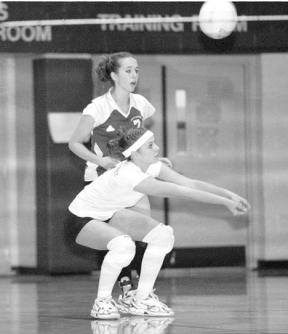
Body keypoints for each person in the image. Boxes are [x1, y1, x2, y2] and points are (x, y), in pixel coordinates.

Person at [67, 127, 250, 319]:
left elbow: (189, 184)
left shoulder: (150, 167)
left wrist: (229, 195)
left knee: (162, 235)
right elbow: (182, 192)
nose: (157, 148)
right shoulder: (130, 175)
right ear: (135, 153)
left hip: (109, 215)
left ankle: (142, 299)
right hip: (80, 221)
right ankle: (102, 302)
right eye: (150, 145)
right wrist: (225, 203)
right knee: (124, 246)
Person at [68, 52, 171, 296]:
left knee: (143, 232)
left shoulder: (141, 105)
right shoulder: (98, 107)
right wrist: (100, 160)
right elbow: (74, 143)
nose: (134, 75)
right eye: (128, 70)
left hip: (133, 179)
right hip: (103, 181)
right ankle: (126, 286)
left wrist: (153, 159)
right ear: (114, 75)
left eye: (136, 70)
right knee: (117, 237)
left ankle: (138, 292)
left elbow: (140, 142)